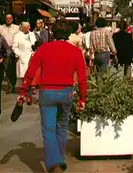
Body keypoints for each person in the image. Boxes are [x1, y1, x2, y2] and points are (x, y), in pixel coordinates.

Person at [17, 19, 87, 173]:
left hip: (47, 92)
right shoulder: (75, 51)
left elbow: (30, 73)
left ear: (52, 33)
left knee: (48, 129)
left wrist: (23, 92)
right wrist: (82, 99)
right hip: (66, 92)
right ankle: (59, 159)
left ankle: (55, 163)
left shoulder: (43, 49)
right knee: (62, 127)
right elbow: (82, 77)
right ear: (68, 34)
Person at [12, 22, 37, 92]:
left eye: (28, 27)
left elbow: (34, 44)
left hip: (31, 56)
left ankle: (31, 88)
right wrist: (20, 55)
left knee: (32, 73)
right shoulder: (17, 35)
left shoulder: (32, 34)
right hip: (22, 56)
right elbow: (14, 47)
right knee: (24, 75)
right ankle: (25, 88)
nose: (27, 28)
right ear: (22, 27)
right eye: (25, 27)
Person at [0, 14, 20, 94]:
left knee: (13, 69)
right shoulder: (1, 28)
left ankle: (13, 85)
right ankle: (10, 86)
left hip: (14, 49)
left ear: (12, 19)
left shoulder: (17, 28)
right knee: (6, 68)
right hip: (4, 50)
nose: (8, 20)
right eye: (7, 18)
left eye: (10, 18)